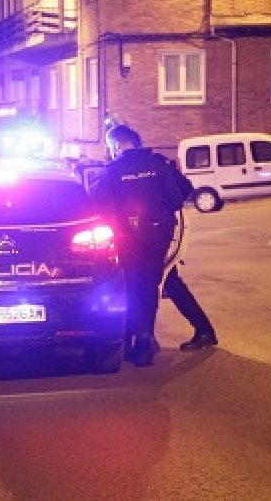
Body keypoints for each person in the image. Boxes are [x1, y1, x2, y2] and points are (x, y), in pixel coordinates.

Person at [90, 124, 188, 367]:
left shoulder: (112, 171)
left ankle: (133, 340)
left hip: (128, 237)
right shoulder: (157, 164)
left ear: (116, 145)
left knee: (131, 286)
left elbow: (100, 206)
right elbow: (176, 200)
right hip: (158, 234)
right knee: (149, 284)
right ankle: (146, 341)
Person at [161, 160, 219, 351]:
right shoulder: (157, 165)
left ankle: (204, 331)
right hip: (163, 233)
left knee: (167, 282)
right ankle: (204, 331)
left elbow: (185, 191)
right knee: (170, 284)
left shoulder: (150, 166)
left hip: (163, 235)